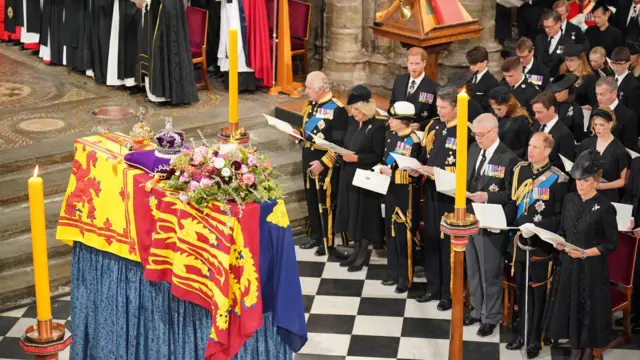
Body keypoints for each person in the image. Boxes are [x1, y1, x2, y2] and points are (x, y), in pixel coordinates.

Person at [543, 149, 619, 360]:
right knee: (570, 304)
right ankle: (574, 345)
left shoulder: (605, 208)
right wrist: (558, 241)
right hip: (568, 263)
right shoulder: (569, 199)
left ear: (595, 181)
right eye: (577, 180)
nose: (579, 184)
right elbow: (562, 228)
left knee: (587, 308)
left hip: (591, 268)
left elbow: (612, 244)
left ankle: (587, 350)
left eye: (584, 181)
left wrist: (584, 253)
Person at [506, 132, 569, 359]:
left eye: (535, 147)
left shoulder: (558, 179)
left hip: (541, 245)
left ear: (547, 151)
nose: (530, 150)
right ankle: (522, 333)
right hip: (520, 242)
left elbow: (560, 217)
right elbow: (514, 204)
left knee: (538, 292)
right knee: (522, 291)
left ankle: (535, 338)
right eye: (529, 145)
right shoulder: (521, 170)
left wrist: (537, 227)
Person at [413, 86, 470, 311]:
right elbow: (427, 154)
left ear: (456, 108)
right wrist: (419, 169)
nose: (440, 111)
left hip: (450, 195)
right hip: (431, 191)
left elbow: (462, 168)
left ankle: (449, 292)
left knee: (448, 244)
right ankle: (433, 286)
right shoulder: (435, 126)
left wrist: (432, 171)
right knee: (431, 238)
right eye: (438, 107)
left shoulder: (464, 131)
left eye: (444, 108)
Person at [464, 113, 519, 337]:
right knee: (474, 268)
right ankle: (476, 309)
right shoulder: (473, 149)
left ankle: (491, 316)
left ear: (494, 132)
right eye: (474, 134)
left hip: (492, 220)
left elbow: (511, 194)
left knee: (490, 272)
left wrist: (487, 196)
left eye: (481, 134)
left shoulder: (508, 157)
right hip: (470, 217)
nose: (477, 138)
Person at [294, 72, 349, 256]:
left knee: (325, 201)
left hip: (325, 160)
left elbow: (340, 144)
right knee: (311, 197)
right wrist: (297, 134)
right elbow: (308, 130)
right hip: (308, 154)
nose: (306, 91)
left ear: (320, 89)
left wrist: (324, 163)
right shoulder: (309, 105)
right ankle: (316, 235)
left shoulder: (338, 109)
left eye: (309, 88)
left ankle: (328, 240)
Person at [335, 84, 386, 272]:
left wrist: (357, 158)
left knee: (363, 215)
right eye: (352, 109)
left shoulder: (377, 126)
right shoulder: (351, 122)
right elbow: (345, 142)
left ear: (367, 108)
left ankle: (363, 252)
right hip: (349, 173)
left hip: (365, 176)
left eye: (357, 109)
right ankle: (355, 250)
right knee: (352, 212)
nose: (354, 113)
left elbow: (377, 155)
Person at [378, 101, 422, 294]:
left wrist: (392, 174)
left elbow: (415, 173)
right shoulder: (390, 136)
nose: (389, 121)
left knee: (404, 235)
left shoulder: (414, 141)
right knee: (391, 232)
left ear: (403, 121)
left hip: (406, 194)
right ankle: (393, 271)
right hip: (389, 190)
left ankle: (406, 277)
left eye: (393, 118)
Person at [138, 0, 198, 105]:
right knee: (171, 43)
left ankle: (162, 94)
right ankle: (175, 93)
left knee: (160, 45)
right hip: (170, 6)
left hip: (162, 8)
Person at [577, 107, 631, 202]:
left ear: (610, 124)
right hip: (585, 193)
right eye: (595, 124)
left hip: (606, 196)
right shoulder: (586, 143)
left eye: (601, 125)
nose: (597, 128)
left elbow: (623, 180)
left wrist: (602, 186)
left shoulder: (619, 150)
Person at [388, 47, 439, 131]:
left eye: (417, 64)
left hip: (416, 133)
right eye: (411, 63)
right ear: (407, 62)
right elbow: (393, 102)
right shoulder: (399, 80)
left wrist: (420, 126)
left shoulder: (433, 87)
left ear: (424, 63)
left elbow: (436, 117)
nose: (413, 67)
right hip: (397, 130)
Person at [531, 91, 577, 172]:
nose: (536, 116)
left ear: (552, 109)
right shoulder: (537, 126)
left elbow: (565, 165)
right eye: (535, 112)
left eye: (539, 112)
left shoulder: (564, 134)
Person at [594, 76, 639, 151]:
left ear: (614, 93)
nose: (598, 98)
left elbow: (630, 148)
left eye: (602, 94)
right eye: (597, 94)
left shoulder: (628, 116)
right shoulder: (595, 108)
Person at [488, 86, 532, 159]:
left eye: (499, 109)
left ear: (509, 105)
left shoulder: (522, 120)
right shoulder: (498, 116)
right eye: (494, 109)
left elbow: (525, 148)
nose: (496, 112)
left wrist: (508, 157)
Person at [535, 10, 573, 78]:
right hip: (539, 80)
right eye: (544, 27)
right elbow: (535, 60)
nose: (546, 30)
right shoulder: (539, 39)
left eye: (549, 27)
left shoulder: (568, 43)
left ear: (558, 24)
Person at [548, 73, 586, 141]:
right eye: (554, 92)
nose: (556, 95)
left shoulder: (576, 109)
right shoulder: (549, 105)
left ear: (567, 91)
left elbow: (578, 135)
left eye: (559, 92)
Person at [559, 44, 598, 109]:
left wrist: (581, 108)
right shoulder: (564, 73)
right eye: (566, 60)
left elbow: (594, 103)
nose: (568, 63)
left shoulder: (589, 78)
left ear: (581, 60)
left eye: (572, 60)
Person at [466, 46, 499, 113]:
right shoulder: (469, 78)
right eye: (470, 64)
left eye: (474, 65)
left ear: (485, 62)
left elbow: (486, 106)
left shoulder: (492, 82)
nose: (471, 67)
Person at [611, 46, 640, 118]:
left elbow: (633, 114)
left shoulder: (633, 86)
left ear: (627, 64)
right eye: (613, 63)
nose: (615, 67)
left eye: (619, 64)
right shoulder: (610, 78)